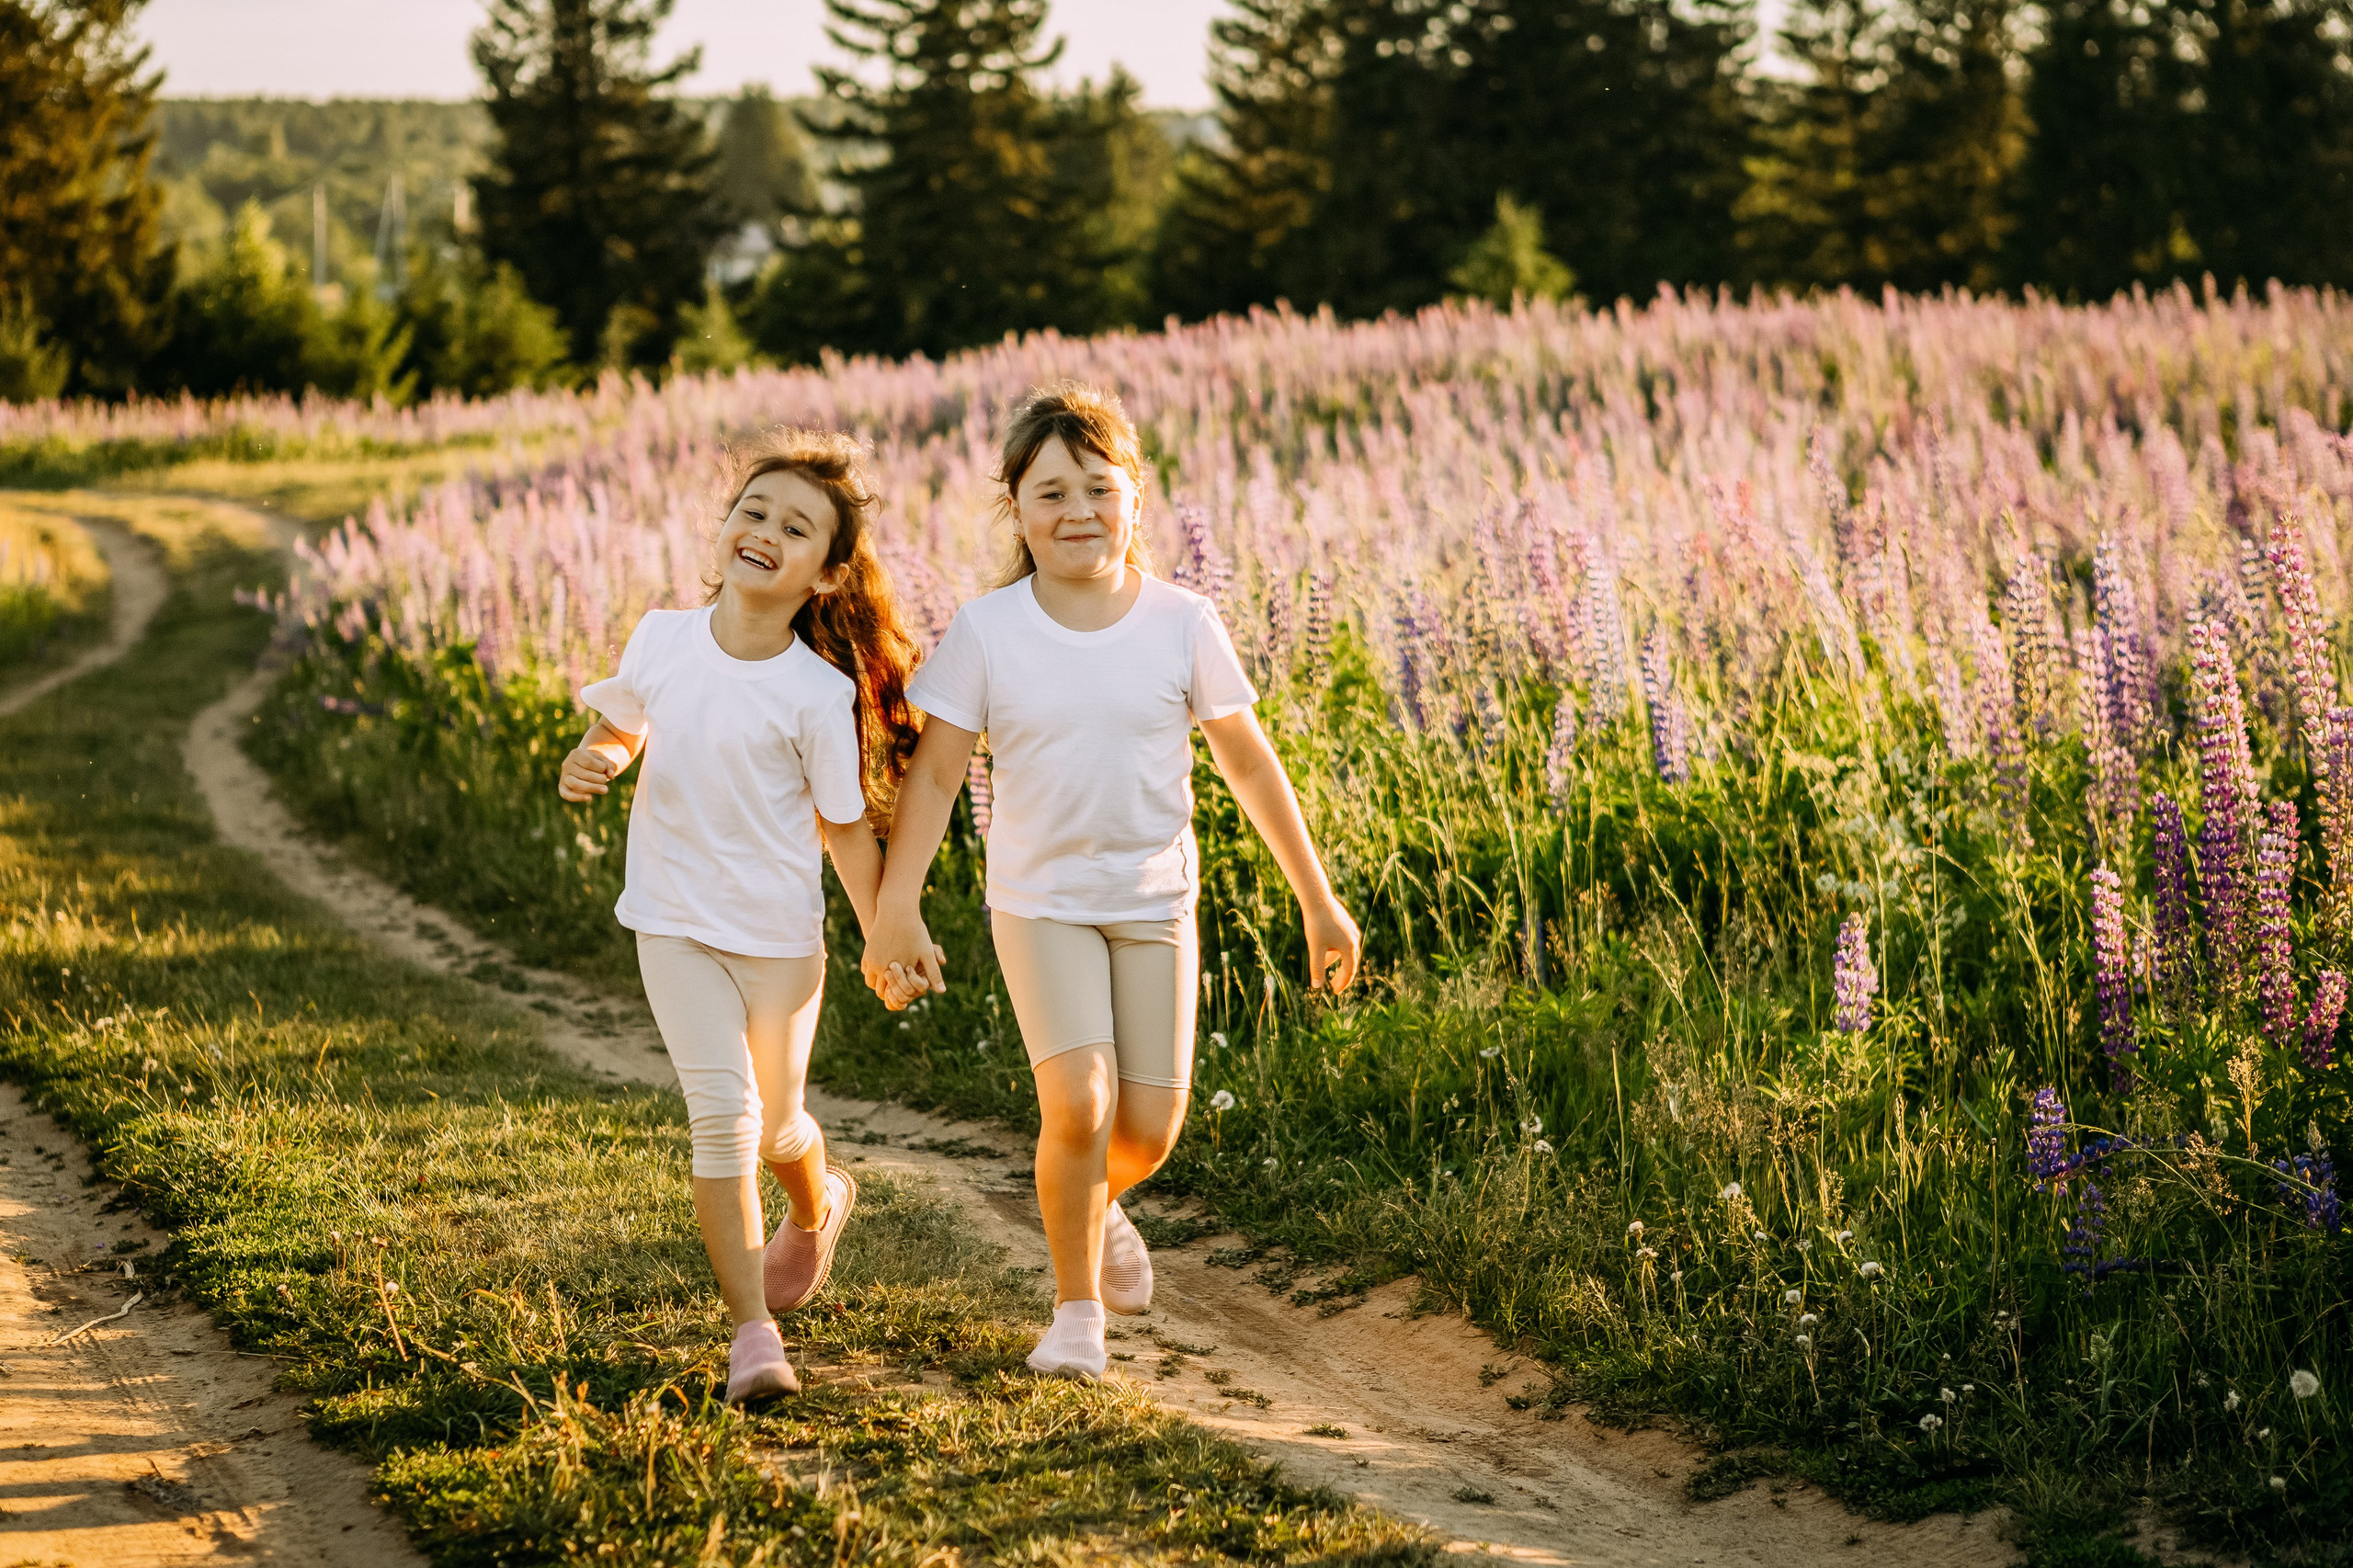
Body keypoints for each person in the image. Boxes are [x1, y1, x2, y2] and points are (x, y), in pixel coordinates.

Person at [868, 381, 1361, 1381]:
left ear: (1135, 498)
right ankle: (1075, 1313)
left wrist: (1316, 896)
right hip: (1041, 904)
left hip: (1153, 903)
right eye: (1049, 493)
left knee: (1149, 1126)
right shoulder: (989, 629)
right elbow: (934, 773)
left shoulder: (1183, 620)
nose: (1077, 511)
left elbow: (1250, 763)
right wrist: (897, 903)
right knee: (1081, 1106)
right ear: (1016, 508)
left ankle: (1088, 1197)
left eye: (1098, 487)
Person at [558, 428, 927, 1406]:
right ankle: (751, 1336)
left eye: (794, 526)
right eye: (751, 510)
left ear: (826, 575)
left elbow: (847, 831)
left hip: (778, 944)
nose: (763, 530)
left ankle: (821, 1197)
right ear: (723, 527)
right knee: (722, 1117)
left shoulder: (818, 692)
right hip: (674, 924)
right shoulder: (662, 636)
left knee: (779, 1126)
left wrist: (886, 929)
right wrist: (597, 756)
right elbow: (626, 720)